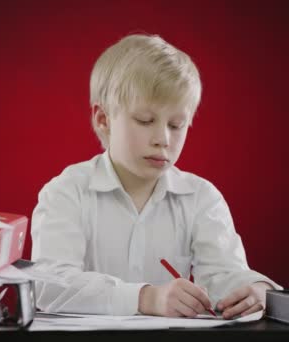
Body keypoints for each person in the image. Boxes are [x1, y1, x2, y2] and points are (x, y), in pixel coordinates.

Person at [30, 33, 282, 319]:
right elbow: (49, 284)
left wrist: (258, 289)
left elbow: (225, 274)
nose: (163, 139)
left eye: (177, 124)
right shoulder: (67, 191)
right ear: (103, 119)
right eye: (145, 121)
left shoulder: (201, 198)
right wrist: (145, 297)